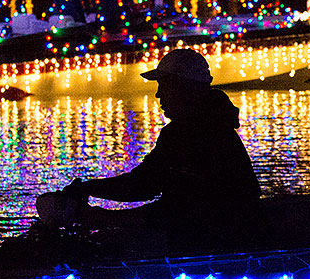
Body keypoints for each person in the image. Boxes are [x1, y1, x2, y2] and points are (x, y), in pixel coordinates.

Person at [39, 47, 260, 251]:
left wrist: (106, 218)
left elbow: (181, 208)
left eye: (165, 86)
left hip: (219, 242)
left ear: (186, 88)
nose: (159, 95)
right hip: (220, 234)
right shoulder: (199, 127)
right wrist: (88, 189)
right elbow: (146, 183)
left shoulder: (200, 135)